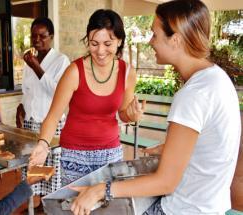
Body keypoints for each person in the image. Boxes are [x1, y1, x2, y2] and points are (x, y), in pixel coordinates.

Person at [69, 1, 241, 215]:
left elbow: (165, 183)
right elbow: (211, 145)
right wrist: (167, 149)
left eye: (155, 34)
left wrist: (101, 190)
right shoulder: (217, 77)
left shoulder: (193, 94)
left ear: (175, 40)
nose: (151, 42)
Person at [29, 9, 145, 186]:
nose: (100, 51)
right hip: (75, 155)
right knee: (75, 208)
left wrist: (132, 115)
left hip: (111, 153)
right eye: (94, 43)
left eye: (108, 43)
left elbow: (122, 113)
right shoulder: (74, 71)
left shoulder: (127, 72)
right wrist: (43, 144)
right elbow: (53, 117)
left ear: (119, 41)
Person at [16, 17, 70, 196]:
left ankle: (50, 202)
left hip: (51, 123)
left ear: (51, 36)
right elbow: (27, 90)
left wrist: (37, 67)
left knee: (51, 166)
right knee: (33, 164)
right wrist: (21, 107)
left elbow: (58, 92)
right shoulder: (30, 60)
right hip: (31, 121)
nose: (37, 40)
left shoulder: (61, 61)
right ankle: (35, 202)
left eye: (42, 36)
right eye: (33, 36)